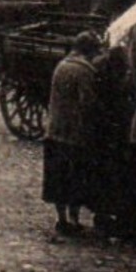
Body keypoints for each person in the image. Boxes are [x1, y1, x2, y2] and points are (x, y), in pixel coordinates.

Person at [44, 30, 102, 237]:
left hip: (55, 129)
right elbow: (88, 103)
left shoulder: (61, 66)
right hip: (76, 133)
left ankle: (61, 219)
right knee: (76, 176)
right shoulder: (85, 71)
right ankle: (74, 219)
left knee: (58, 176)